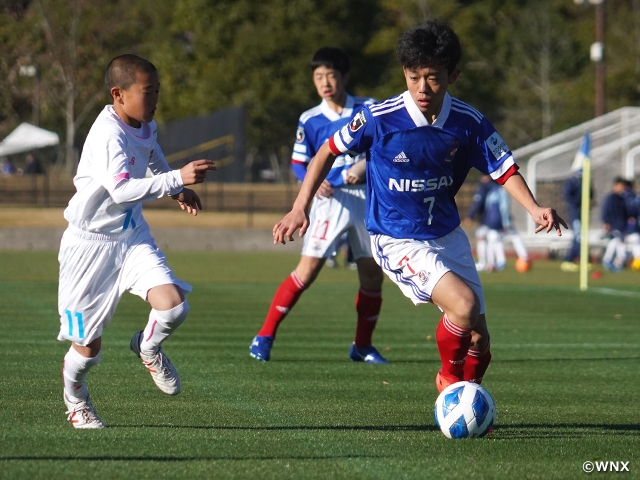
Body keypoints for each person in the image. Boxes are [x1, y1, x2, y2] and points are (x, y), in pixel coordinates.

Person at [272, 21, 566, 393]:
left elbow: (504, 168)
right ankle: (449, 383)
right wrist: (301, 207)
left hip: (445, 233)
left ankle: (466, 401)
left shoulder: (469, 122)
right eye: (414, 77)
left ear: (453, 75)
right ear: (404, 74)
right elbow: (326, 151)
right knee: (463, 305)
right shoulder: (379, 118)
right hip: (396, 236)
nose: (423, 88)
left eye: (434, 78)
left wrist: (535, 208)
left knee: (480, 342)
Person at [58, 54, 216, 429]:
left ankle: (147, 346)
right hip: (89, 246)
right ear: (119, 94)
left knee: (174, 307)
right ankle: (75, 398)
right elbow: (122, 190)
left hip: (130, 237)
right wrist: (178, 177)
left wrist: (175, 189)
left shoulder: (145, 125)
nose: (156, 98)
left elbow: (152, 155)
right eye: (148, 92)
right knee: (88, 349)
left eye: (157, 90)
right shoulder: (107, 133)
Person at [250, 47, 387, 364]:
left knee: (372, 274)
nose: (325, 82)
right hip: (331, 201)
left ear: (345, 77)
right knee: (307, 270)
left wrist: (363, 166)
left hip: (368, 199)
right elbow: (299, 163)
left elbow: (384, 147)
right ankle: (265, 335)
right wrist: (317, 181)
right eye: (318, 76)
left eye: (331, 75)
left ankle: (362, 346)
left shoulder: (369, 109)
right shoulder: (310, 119)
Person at [467, 175, 529, 271]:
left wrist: (471, 215)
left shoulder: (487, 188)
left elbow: (481, 203)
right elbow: (503, 207)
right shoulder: (498, 189)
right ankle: (516, 259)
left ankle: (489, 263)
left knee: (492, 239)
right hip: (494, 220)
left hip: (489, 221)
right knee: (502, 238)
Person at [560, 167, 593, 272]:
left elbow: (591, 194)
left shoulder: (586, 182)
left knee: (581, 236)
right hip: (575, 213)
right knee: (578, 237)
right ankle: (569, 260)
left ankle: (581, 260)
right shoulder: (572, 182)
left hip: (583, 214)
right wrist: (580, 201)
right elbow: (567, 195)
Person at [601, 177, 631, 271]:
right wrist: (606, 222)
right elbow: (605, 211)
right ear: (616, 186)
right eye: (621, 186)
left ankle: (617, 262)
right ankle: (608, 260)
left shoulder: (623, 198)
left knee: (619, 243)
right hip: (613, 225)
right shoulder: (610, 198)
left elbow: (625, 212)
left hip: (622, 225)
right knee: (615, 241)